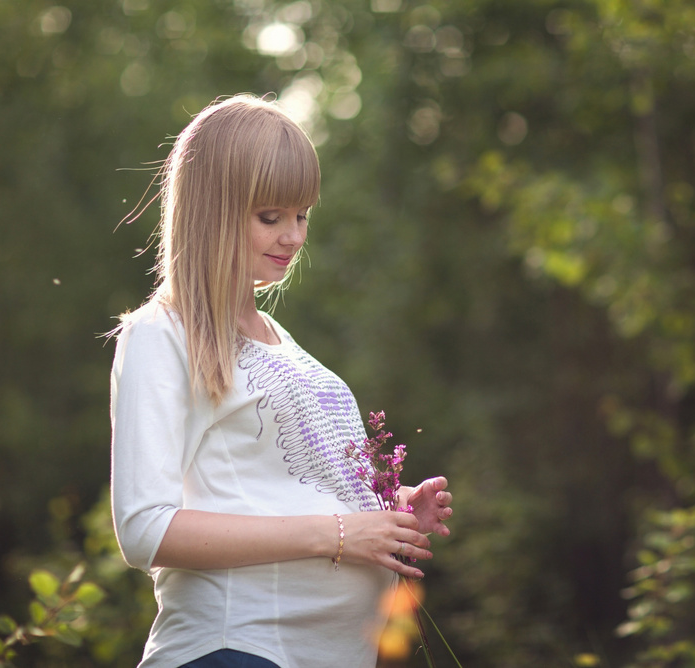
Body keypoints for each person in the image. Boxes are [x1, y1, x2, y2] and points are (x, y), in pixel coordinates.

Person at [109, 95, 454, 668]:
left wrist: (384, 515)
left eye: (302, 216)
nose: (293, 236)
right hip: (236, 649)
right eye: (270, 217)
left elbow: (272, 491)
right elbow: (145, 528)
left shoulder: (280, 340)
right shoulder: (162, 334)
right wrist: (339, 533)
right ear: (211, 210)